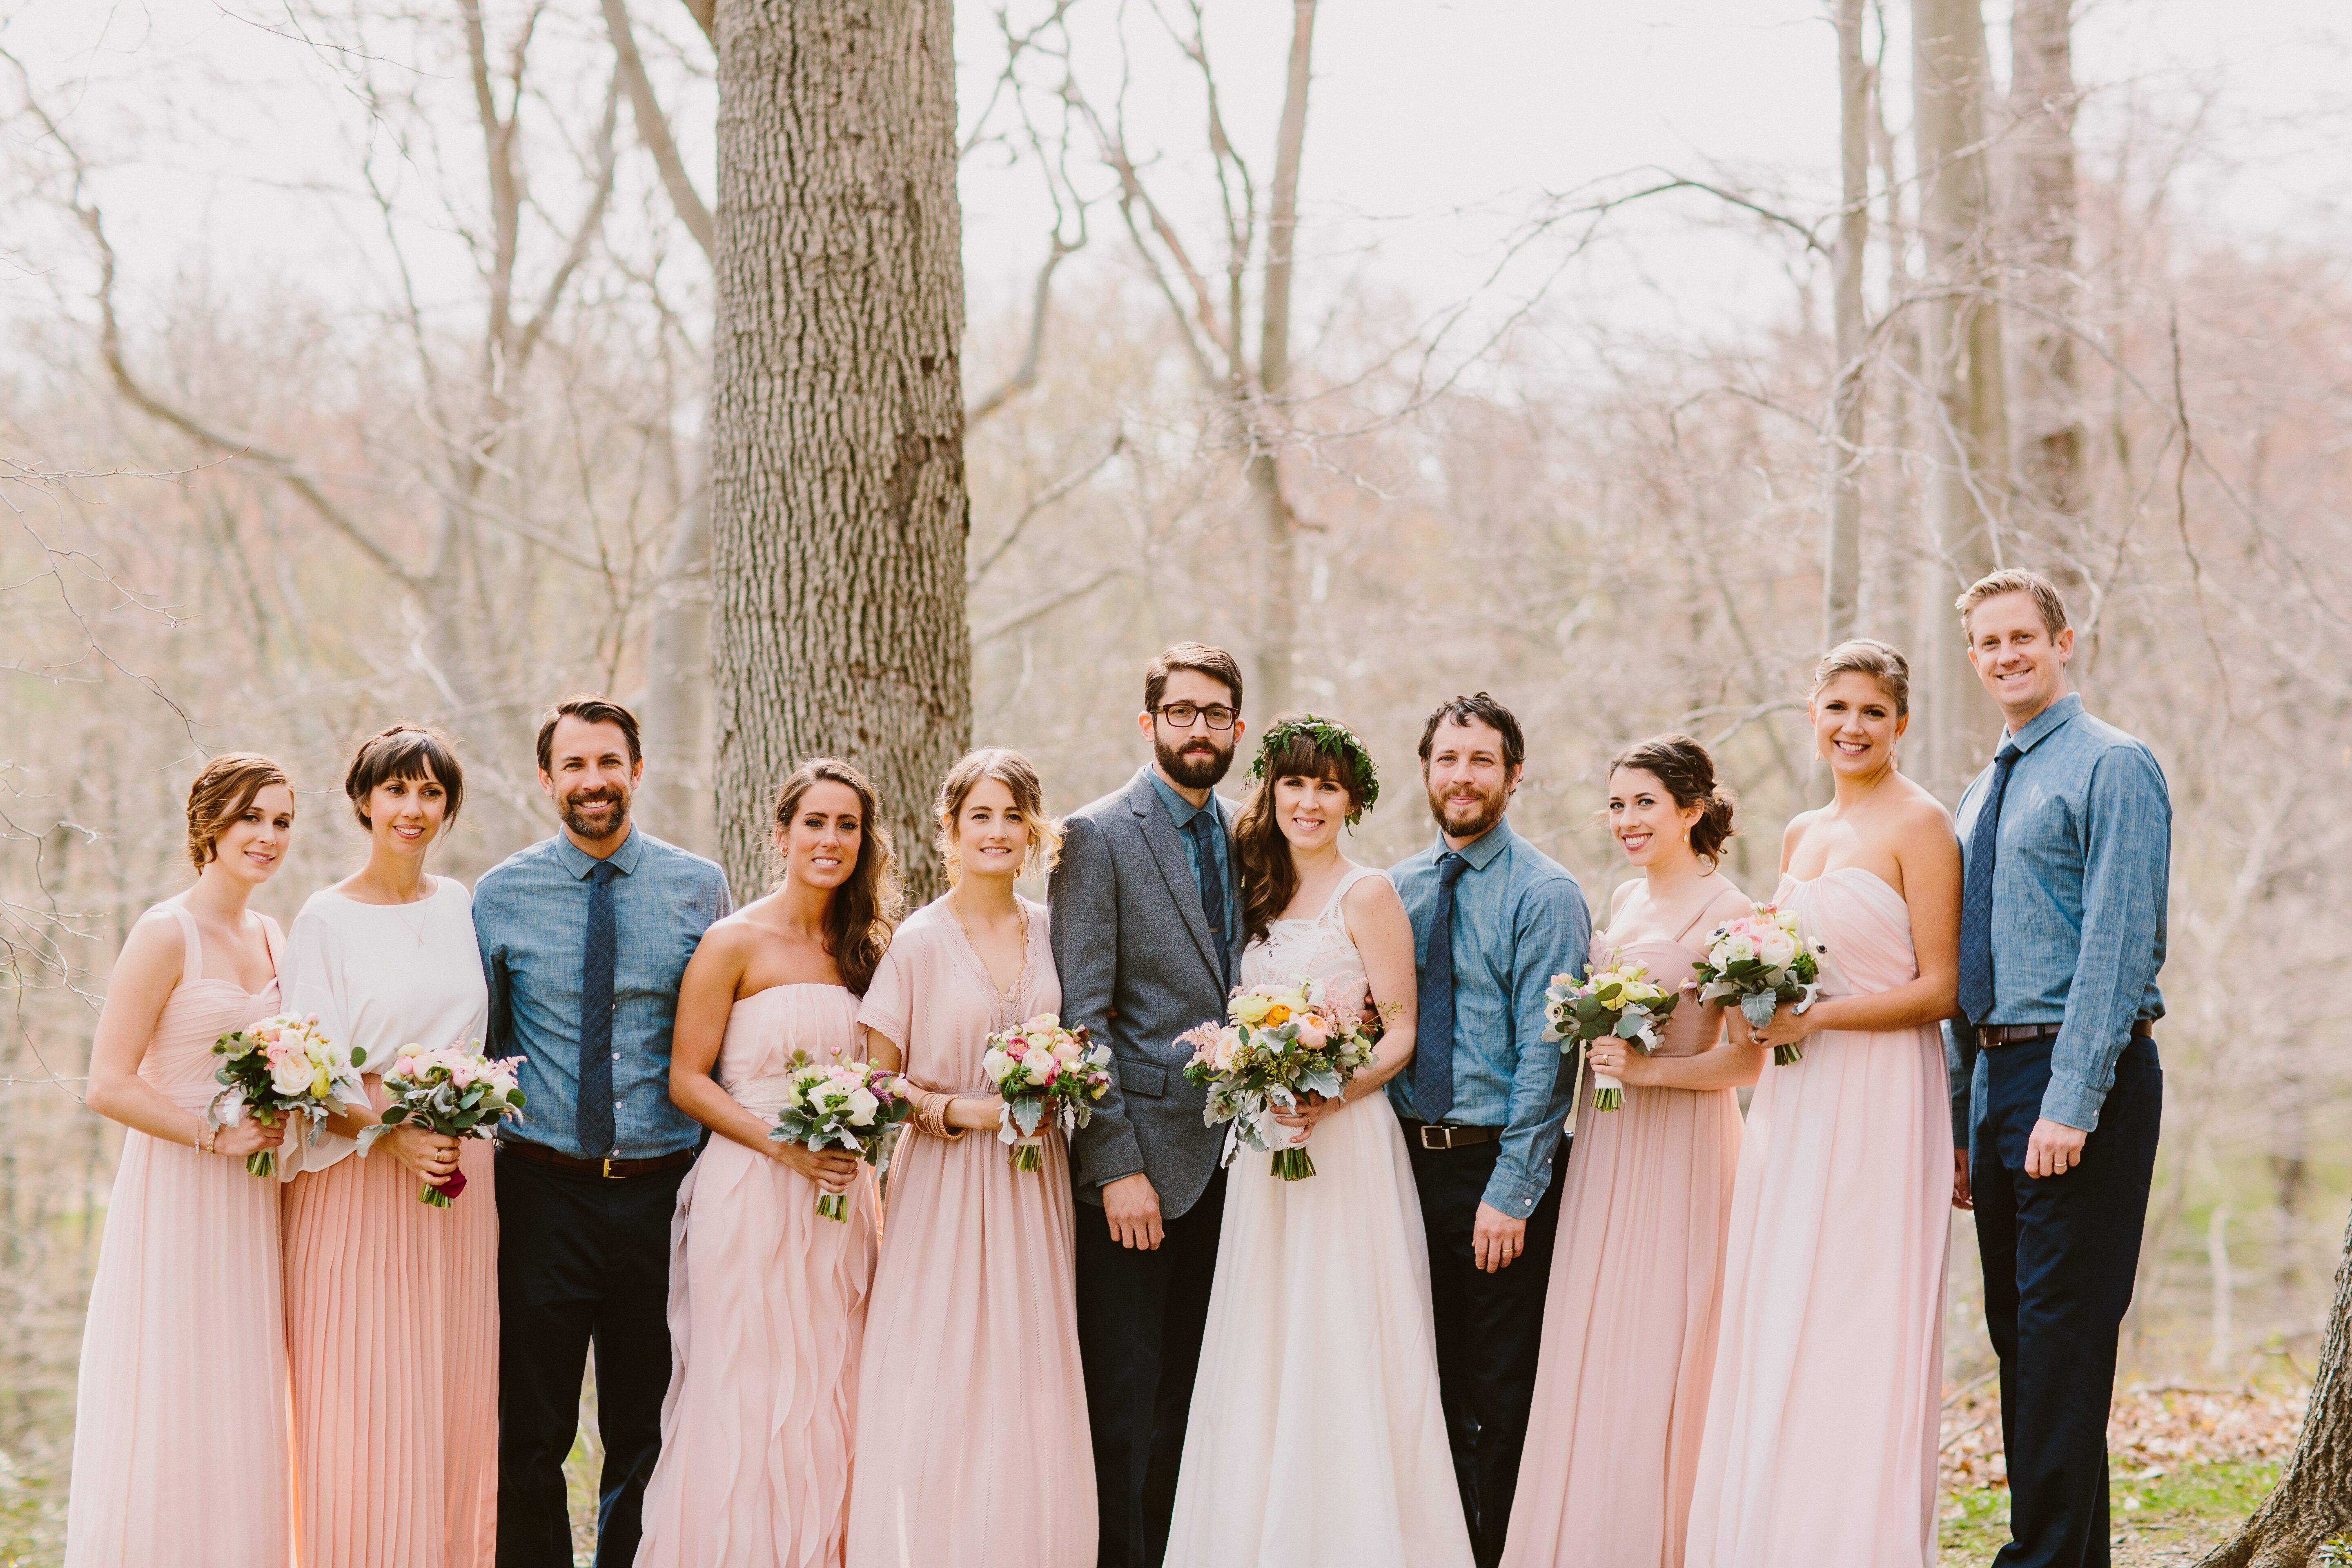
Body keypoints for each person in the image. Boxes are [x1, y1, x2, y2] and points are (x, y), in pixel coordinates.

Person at [1165, 714, 1472, 1568]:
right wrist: (1260, 1083)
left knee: (1343, 1331)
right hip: (1268, 1148)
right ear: (1272, 790)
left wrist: (1325, 1096)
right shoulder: (1254, 892)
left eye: (1327, 786)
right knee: (1265, 1335)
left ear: (1354, 801)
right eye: (1295, 783)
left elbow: (1401, 1033)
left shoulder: (1366, 893)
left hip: (1345, 1145)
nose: (1308, 801)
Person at [1684, 643, 1961, 1568]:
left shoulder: (1921, 826)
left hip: (1882, 1093)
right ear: (1812, 715)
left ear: (1901, 725)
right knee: (1783, 1297)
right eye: (1837, 707)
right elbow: (1782, 954)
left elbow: (1941, 989)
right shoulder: (1801, 833)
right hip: (1797, 1101)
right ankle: (1778, 1530)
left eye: (1873, 712)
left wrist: (1825, 1016)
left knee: (1857, 1308)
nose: (1853, 726)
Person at [473, 696, 732, 1568]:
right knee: (531, 1430)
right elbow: (489, 1044)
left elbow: (721, 1044)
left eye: (609, 763)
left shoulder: (700, 888)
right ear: (547, 780)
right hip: (541, 1190)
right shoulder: (500, 896)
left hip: (665, 1191)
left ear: (637, 771)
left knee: (648, 1427)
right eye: (575, 766)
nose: (594, 782)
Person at [1945, 570, 2168, 1568]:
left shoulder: (2114, 765)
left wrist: (2070, 1103)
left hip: (2082, 1079)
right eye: (1987, 643)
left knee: (2062, 1338)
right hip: (1997, 1079)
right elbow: (1963, 963)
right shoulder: (1980, 787)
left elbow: (2121, 948)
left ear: (2063, 640)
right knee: (2023, 1341)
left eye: (2021, 638)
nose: (2005, 657)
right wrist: (1963, 1120)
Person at [635, 759, 899, 1568]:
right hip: (750, 1192)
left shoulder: (872, 948)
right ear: (779, 835)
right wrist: (782, 1145)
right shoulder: (734, 941)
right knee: (745, 1391)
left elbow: (890, 1074)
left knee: (834, 1387)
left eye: (847, 825)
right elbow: (686, 1079)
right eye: (815, 823)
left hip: (842, 1201)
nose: (831, 840)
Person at [1502, 735, 1753, 1568]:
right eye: (1616, 805)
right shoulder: (1621, 898)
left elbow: (1751, 1059)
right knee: (1595, 1335)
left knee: (1661, 1343)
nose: (1626, 820)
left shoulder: (1732, 913)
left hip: (1682, 1149)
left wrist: (1653, 1070)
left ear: (1692, 807)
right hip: (1607, 1144)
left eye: (1644, 802)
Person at [845, 748, 1094, 1568]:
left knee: (1030, 1377)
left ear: (1034, 831)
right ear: (949, 831)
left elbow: (1084, 1042)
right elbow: (875, 1080)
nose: (997, 831)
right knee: (939, 1370)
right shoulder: (918, 943)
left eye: (1012, 815)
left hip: (1033, 1184)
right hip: (944, 1185)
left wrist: (1059, 1090)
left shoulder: (1057, 931)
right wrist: (957, 1110)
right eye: (979, 816)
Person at [66, 755, 299, 1568]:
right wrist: (213, 1134)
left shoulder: (274, 933)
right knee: (172, 1387)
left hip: (254, 1199)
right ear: (209, 824)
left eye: (280, 821)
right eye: (250, 818)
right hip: (177, 1186)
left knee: (239, 1395)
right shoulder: (165, 930)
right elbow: (106, 1084)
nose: (266, 836)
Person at [280, 725, 497, 1568]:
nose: (413, 809)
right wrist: (390, 1134)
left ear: (448, 808)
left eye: (431, 793)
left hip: (459, 1178)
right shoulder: (324, 919)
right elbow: (309, 1072)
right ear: (364, 802)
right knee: (366, 1402)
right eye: (396, 791)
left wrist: (448, 1126)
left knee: (451, 1400)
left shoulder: (457, 904)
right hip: (360, 1177)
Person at [1051, 643, 1247, 1568]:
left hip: (1241, 1168)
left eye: (1216, 714)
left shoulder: (1253, 832)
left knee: (1201, 1402)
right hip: (1138, 1173)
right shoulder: (1098, 836)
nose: (1199, 729)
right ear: (1150, 723)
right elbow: (1081, 1019)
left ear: (1237, 729)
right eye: (1183, 713)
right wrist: (1115, 1164)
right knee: (1126, 1407)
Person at [1388, 693, 1591, 1568]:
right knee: (1419, 1383)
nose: (1462, 778)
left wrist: (1512, 1193)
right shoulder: (1392, 890)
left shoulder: (1545, 895)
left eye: (1481, 762)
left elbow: (1550, 1057)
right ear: (1426, 770)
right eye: (1447, 760)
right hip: (1398, 1168)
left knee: (1500, 1394)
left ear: (1515, 776)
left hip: (1496, 1172)